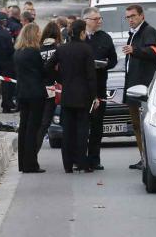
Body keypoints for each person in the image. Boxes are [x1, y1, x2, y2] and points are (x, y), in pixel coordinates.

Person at [45, 19, 96, 173]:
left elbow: (48, 66)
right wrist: (94, 97)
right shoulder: (86, 50)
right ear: (82, 32)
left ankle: (67, 164)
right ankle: (82, 162)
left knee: (67, 131)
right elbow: (91, 76)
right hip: (83, 96)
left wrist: (60, 78)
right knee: (82, 131)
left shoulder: (61, 49)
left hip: (67, 95)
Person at [122, 4, 156, 170]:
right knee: (136, 125)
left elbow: (154, 52)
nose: (130, 20)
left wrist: (134, 50)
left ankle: (148, 158)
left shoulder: (148, 31)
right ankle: (143, 157)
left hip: (143, 88)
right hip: (133, 87)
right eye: (128, 17)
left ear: (141, 16)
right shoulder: (134, 34)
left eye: (133, 16)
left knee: (144, 125)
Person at [83, 7, 118, 171]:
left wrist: (104, 65)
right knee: (82, 125)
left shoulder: (105, 37)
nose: (100, 21)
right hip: (82, 89)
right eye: (96, 19)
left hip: (99, 86)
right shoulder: (79, 37)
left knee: (97, 126)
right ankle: (80, 158)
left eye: (100, 18)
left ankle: (94, 159)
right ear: (87, 21)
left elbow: (113, 59)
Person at [14, 23, 48, 173]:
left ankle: (23, 163)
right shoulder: (34, 52)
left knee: (24, 127)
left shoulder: (18, 52)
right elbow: (42, 72)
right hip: (35, 94)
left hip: (22, 93)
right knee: (33, 129)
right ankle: (31, 163)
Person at [36, 21, 61, 153]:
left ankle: (32, 152)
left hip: (38, 88)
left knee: (38, 122)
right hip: (53, 89)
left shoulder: (38, 48)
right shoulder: (58, 49)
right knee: (46, 122)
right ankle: (34, 150)